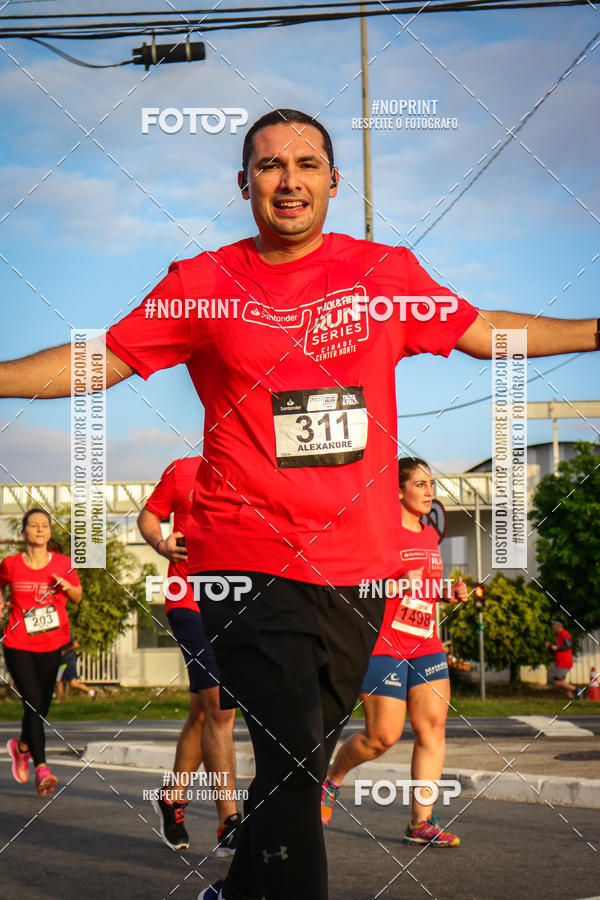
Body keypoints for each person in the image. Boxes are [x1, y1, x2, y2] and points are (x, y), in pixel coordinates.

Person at [0, 108, 597, 900]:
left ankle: (239, 887)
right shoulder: (201, 283)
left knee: (300, 757)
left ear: (333, 181)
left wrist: (593, 329)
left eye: (307, 164)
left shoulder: (384, 275)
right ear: (243, 183)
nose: (290, 179)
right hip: (246, 562)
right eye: (271, 165)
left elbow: (483, 331)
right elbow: (97, 362)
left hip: (359, 574)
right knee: (287, 754)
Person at [321, 457, 467, 847]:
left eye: (431, 483)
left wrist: (445, 592)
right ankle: (333, 777)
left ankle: (420, 822)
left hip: (425, 644)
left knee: (432, 727)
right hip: (382, 645)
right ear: (398, 491)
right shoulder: (377, 536)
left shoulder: (429, 536)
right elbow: (354, 586)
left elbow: (424, 589)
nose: (429, 491)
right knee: (383, 736)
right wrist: (394, 584)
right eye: (419, 484)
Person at [137, 456, 240, 853]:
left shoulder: (257, 472)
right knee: (221, 708)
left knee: (203, 710)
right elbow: (149, 515)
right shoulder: (183, 470)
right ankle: (228, 822)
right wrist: (161, 543)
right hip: (189, 599)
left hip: (236, 601)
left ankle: (173, 797)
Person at [0, 508, 82, 796]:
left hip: (52, 644)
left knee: (41, 708)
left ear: (49, 532)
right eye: (33, 525)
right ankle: (42, 770)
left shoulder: (62, 563)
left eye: (44, 525)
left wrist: (67, 585)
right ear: (23, 532)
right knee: (34, 703)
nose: (39, 529)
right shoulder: (10, 564)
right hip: (17, 643)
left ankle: (21, 746)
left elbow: (78, 596)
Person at [55, 634, 96, 700]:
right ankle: (92, 692)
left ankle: (58, 700)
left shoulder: (67, 635)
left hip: (68, 661)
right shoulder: (55, 636)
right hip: (62, 662)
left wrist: (65, 651)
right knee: (73, 684)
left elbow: (76, 645)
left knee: (59, 681)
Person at [545, 619, 577, 700]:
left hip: (564, 661)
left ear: (559, 626)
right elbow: (556, 649)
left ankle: (577, 690)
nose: (553, 626)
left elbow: (568, 645)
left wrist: (557, 647)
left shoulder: (564, 634)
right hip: (560, 661)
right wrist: (549, 647)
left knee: (557, 681)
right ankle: (573, 698)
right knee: (562, 682)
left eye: (554, 624)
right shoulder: (559, 635)